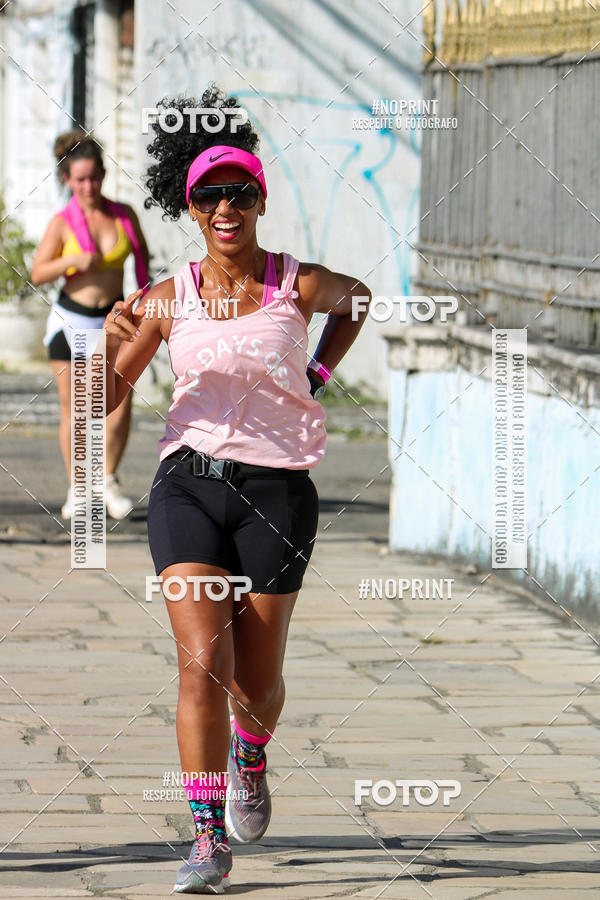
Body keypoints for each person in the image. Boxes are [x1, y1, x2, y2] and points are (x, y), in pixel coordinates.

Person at [103, 87, 371, 894]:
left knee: (256, 686)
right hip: (188, 487)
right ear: (190, 207)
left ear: (260, 199)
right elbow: (103, 402)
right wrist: (106, 345)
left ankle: (251, 755)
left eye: (240, 192)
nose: (226, 206)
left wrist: (318, 371)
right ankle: (206, 835)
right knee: (199, 663)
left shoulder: (298, 281)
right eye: (209, 195)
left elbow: (357, 298)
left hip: (278, 493)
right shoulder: (167, 297)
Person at [31, 129, 150, 519]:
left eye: (95, 177)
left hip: (111, 323)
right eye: (80, 179)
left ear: (103, 174)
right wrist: (73, 261)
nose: (88, 186)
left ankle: (108, 480)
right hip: (71, 320)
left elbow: (143, 264)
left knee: (119, 403)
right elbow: (38, 272)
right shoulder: (62, 222)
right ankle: (78, 489)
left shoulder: (123, 215)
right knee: (77, 408)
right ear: (67, 179)